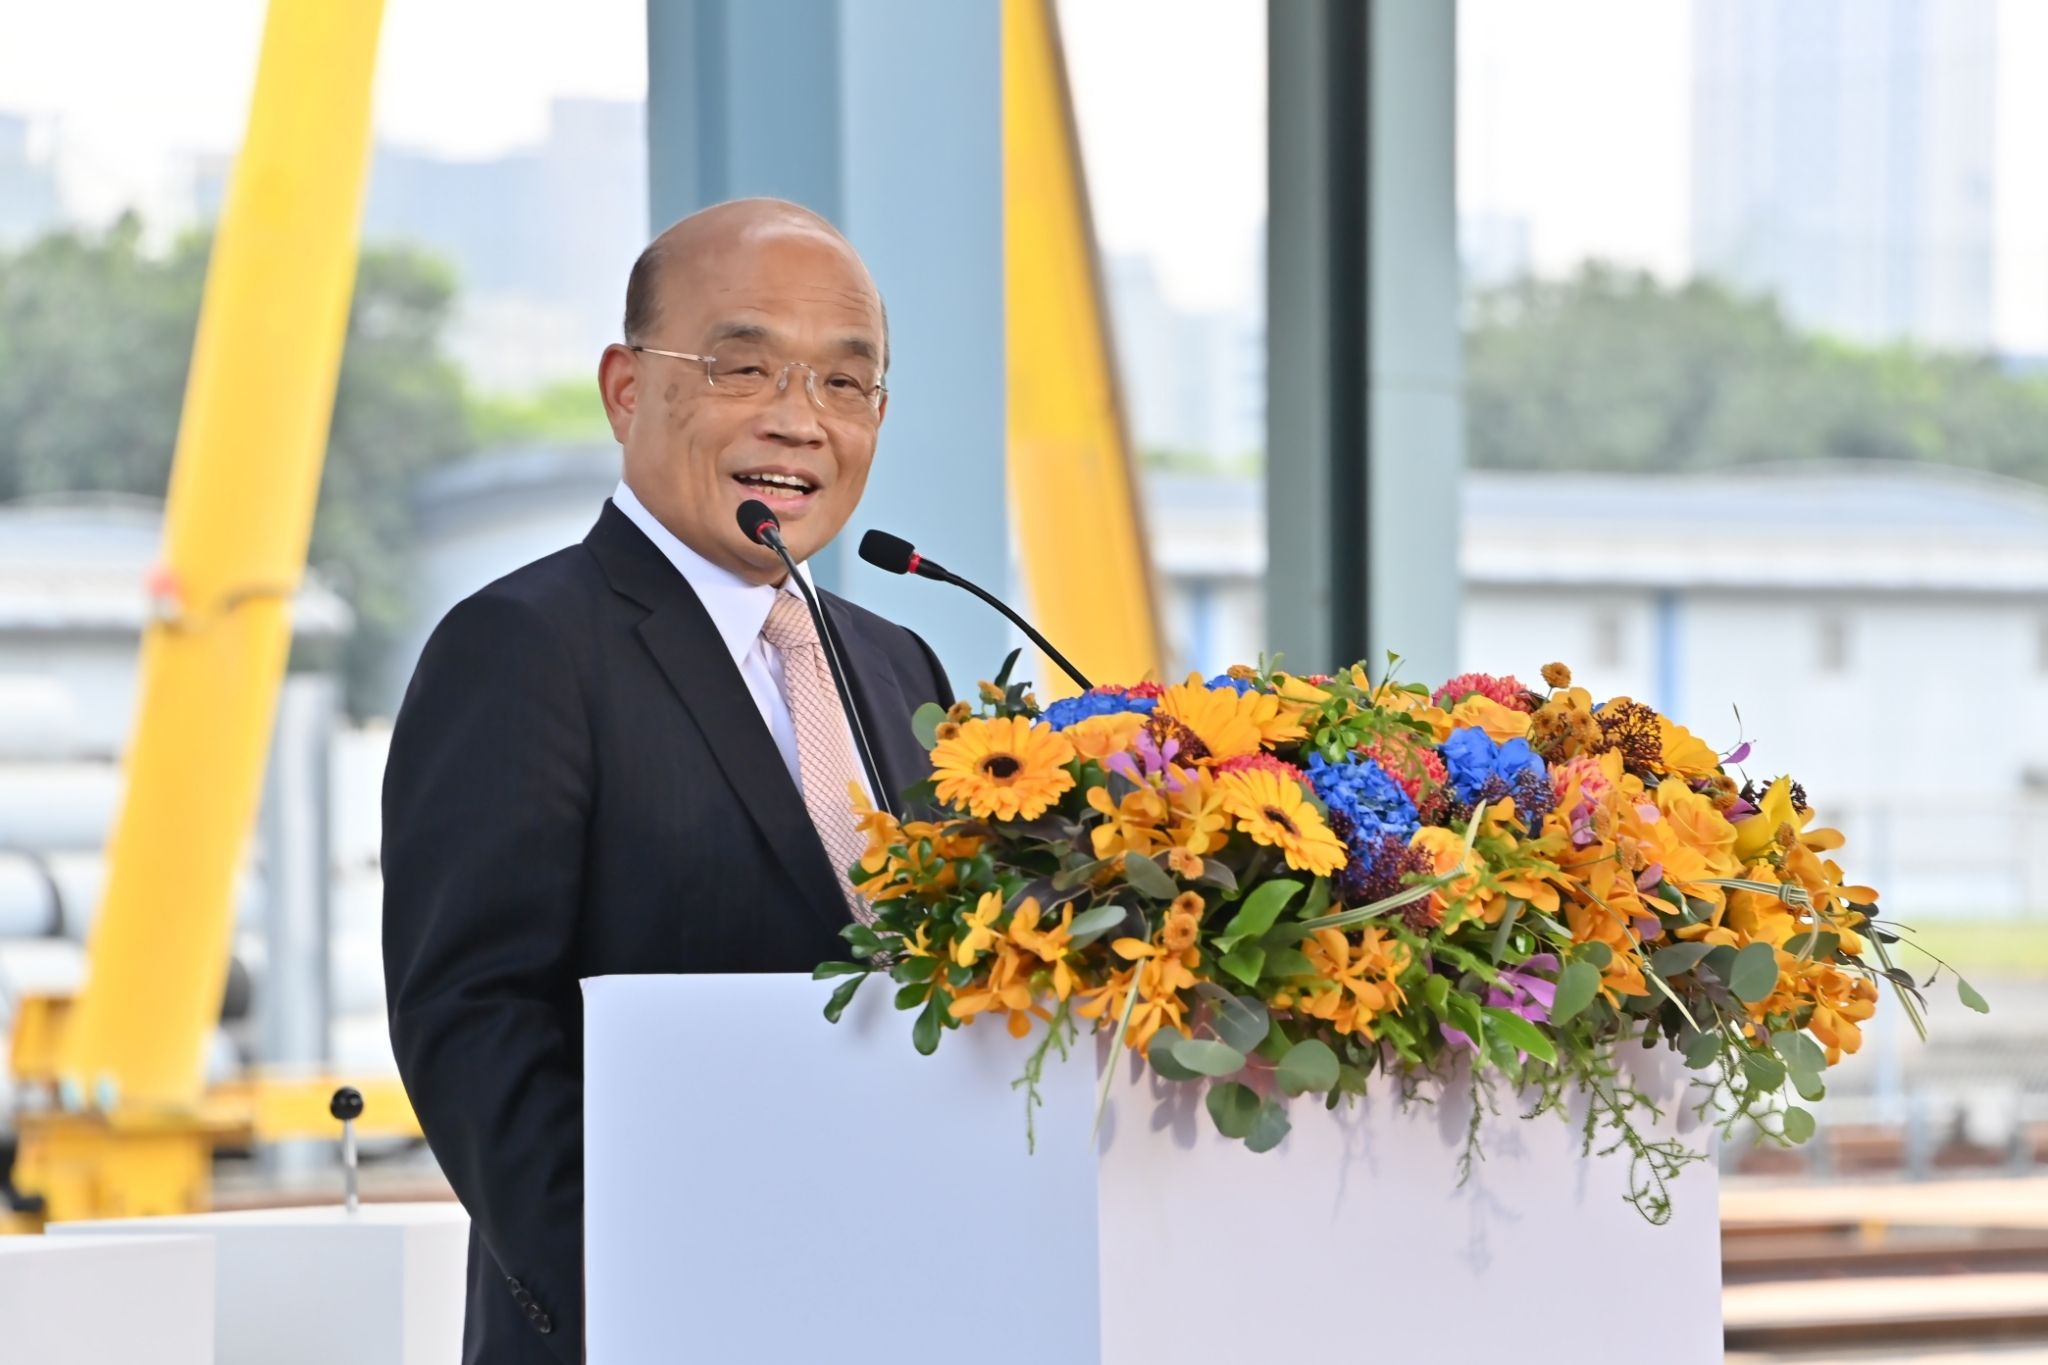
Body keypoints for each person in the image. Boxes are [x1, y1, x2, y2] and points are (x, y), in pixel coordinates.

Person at [382, 198, 951, 1363]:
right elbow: (473, 1022)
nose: (800, 421)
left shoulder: (900, 665)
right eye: (745, 368)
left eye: (845, 384)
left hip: (901, 1305)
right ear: (626, 389)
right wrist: (638, 1297)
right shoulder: (523, 648)